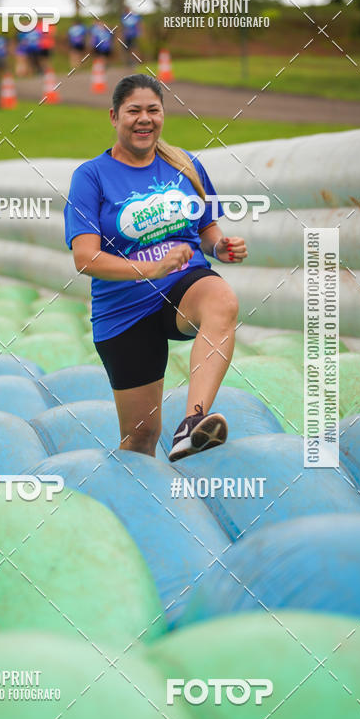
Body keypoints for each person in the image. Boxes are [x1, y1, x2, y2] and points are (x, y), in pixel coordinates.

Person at [64, 74, 248, 461]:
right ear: (114, 116)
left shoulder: (185, 164)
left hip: (183, 288)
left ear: (163, 115)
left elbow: (207, 229)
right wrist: (150, 269)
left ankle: (193, 423)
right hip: (124, 310)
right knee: (142, 435)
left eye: (153, 110)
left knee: (222, 300)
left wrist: (220, 247)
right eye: (134, 110)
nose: (144, 118)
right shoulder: (91, 177)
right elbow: (85, 259)